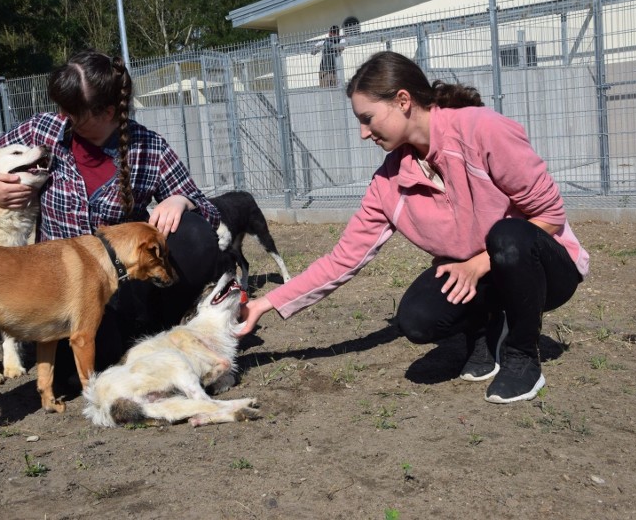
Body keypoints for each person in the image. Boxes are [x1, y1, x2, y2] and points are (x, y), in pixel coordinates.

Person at [240, 51, 589, 404]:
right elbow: (343, 259)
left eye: (368, 118)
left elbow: (550, 214)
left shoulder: (480, 130)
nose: (363, 133)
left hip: (545, 270)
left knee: (507, 235)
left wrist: (477, 264)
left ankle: (522, 356)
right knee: (418, 318)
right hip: (483, 276)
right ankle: (487, 329)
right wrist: (263, 304)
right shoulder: (389, 182)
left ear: (403, 100)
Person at [0, 49, 221, 384]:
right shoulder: (43, 130)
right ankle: (124, 344)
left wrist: (180, 200)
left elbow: (210, 215)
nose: (62, 115)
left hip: (118, 289)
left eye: (72, 110)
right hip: (55, 291)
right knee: (77, 366)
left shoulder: (149, 148)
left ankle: (154, 325)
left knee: (194, 234)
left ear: (107, 111)